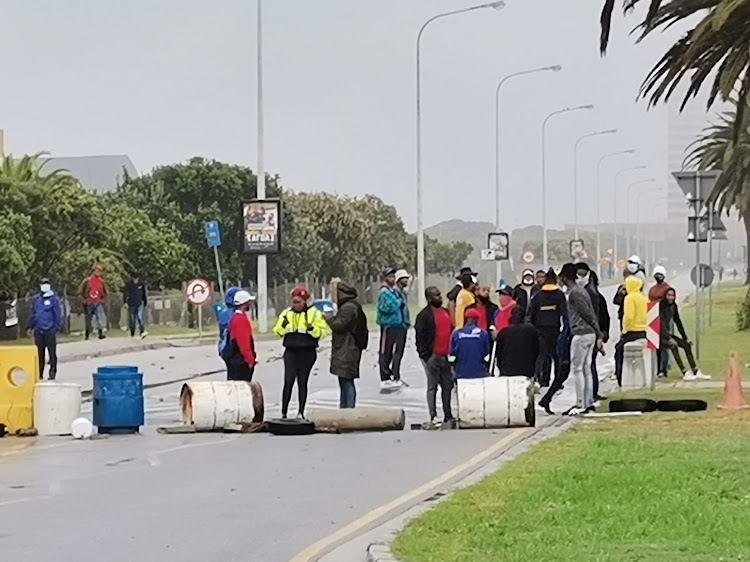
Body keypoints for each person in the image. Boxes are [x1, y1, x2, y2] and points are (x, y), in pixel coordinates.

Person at [273, 287, 329, 419]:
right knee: (288, 380)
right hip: (291, 350)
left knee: (302, 381)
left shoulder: (314, 313)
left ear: (305, 301)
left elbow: (323, 332)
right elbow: (278, 331)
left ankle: (300, 412)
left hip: (307, 351)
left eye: (299, 302)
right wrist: (283, 326)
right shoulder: (287, 313)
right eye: (294, 302)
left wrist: (312, 329)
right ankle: (284, 412)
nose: (296, 305)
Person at [559, 263, 603, 415]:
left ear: (566, 277)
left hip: (582, 334)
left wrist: (598, 332)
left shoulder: (575, 293)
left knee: (578, 369)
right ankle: (588, 401)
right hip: (589, 334)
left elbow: (588, 314)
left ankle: (580, 403)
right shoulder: (581, 291)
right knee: (586, 370)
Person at [414, 286, 454, 423]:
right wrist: (426, 356)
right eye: (436, 295)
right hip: (433, 356)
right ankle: (433, 415)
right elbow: (420, 338)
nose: (440, 297)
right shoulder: (424, 316)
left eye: (440, 294)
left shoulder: (445, 312)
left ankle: (448, 414)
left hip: (446, 355)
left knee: (447, 386)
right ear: (429, 298)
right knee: (432, 386)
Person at [327, 281, 368, 408]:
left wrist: (328, 318)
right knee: (343, 379)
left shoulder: (348, 308)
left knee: (346, 379)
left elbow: (338, 325)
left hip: (348, 347)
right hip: (347, 347)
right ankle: (344, 406)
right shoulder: (351, 306)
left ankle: (348, 407)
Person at [525, 268, 567, 387]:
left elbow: (531, 313)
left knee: (542, 355)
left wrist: (532, 326)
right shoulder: (559, 295)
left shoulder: (538, 296)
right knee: (556, 355)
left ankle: (542, 379)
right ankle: (558, 381)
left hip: (540, 328)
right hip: (554, 327)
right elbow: (564, 313)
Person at [659, 288, 709, 381]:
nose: (671, 298)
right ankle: (684, 371)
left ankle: (695, 370)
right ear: (665, 296)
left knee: (686, 345)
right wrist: (668, 338)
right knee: (673, 345)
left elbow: (678, 322)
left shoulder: (673, 306)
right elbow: (660, 324)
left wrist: (685, 338)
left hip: (668, 335)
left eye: (673, 295)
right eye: (669, 295)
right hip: (659, 336)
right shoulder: (661, 306)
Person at [376, 268, 409, 389]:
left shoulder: (392, 291)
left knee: (394, 351)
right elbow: (385, 308)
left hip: (398, 324)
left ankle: (392, 375)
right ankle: (384, 376)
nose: (392, 279)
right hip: (388, 325)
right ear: (385, 278)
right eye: (390, 277)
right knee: (386, 351)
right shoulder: (384, 292)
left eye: (393, 276)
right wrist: (398, 302)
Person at [614, 276, 649, 386]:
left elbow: (629, 316)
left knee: (618, 350)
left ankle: (620, 378)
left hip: (632, 331)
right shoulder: (643, 298)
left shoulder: (629, 298)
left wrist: (624, 331)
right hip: (643, 331)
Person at [27, 278, 63, 380]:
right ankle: (39, 373)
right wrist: (30, 326)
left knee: (52, 353)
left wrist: (56, 328)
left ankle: (52, 373)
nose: (44, 285)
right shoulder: (37, 299)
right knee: (39, 353)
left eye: (46, 283)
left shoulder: (54, 299)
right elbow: (34, 314)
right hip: (38, 330)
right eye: (43, 283)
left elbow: (58, 315)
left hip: (50, 330)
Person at [223, 290, 257, 382]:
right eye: (249, 302)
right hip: (240, 361)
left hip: (235, 358)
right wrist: (250, 359)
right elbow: (244, 343)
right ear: (245, 303)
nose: (250, 304)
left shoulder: (235, 317)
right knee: (242, 386)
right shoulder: (241, 320)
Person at [495, 305, 538, 377]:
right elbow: (536, 350)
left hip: (507, 370)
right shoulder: (531, 330)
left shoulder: (504, 332)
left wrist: (501, 367)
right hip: (527, 370)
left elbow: (499, 353)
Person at [448, 308, 491, 379]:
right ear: (476, 320)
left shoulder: (456, 334)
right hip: (479, 373)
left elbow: (452, 356)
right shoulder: (483, 334)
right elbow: (486, 355)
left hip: (461, 373)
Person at [79, 264, 108, 340]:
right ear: (93, 271)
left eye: (100, 271)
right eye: (97, 270)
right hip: (89, 302)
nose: (98, 272)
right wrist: (84, 301)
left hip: (98, 302)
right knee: (88, 319)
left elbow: (106, 292)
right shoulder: (87, 281)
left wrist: (103, 300)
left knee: (99, 317)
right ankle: (87, 333)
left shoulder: (102, 282)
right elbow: (80, 291)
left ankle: (100, 333)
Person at [123, 272, 148, 338]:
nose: (135, 280)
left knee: (140, 316)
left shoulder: (141, 284)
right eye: (134, 278)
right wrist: (125, 302)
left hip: (139, 303)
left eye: (136, 278)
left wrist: (145, 302)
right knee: (132, 319)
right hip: (131, 303)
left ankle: (142, 331)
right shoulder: (129, 285)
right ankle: (132, 332)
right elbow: (125, 293)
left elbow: (143, 294)